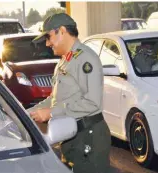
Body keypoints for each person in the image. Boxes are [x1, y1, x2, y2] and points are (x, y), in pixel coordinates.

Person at [28, 13, 111, 173]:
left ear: (62, 31)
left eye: (49, 37)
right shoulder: (64, 61)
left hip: (89, 137)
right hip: (70, 136)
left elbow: (93, 102)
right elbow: (53, 99)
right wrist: (25, 115)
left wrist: (52, 113)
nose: (47, 43)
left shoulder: (85, 59)